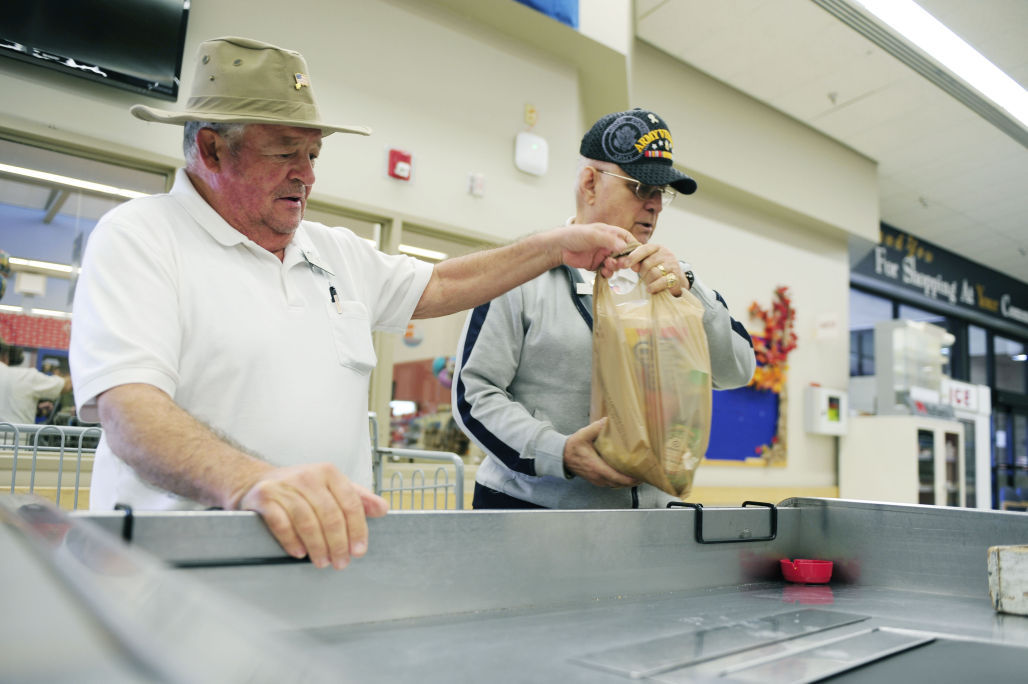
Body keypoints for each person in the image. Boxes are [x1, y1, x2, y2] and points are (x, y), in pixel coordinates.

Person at [69, 37, 636, 570]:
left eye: (314, 154)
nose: (307, 175)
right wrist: (250, 483)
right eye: (286, 152)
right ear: (212, 149)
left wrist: (555, 248)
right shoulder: (141, 237)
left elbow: (437, 285)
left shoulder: (332, 250)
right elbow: (129, 412)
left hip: (323, 566)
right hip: (177, 568)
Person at [452, 108, 757, 509]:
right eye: (640, 187)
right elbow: (474, 393)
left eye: (661, 193)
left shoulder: (670, 281)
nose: (655, 206)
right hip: (533, 513)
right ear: (590, 182)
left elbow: (739, 370)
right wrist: (556, 452)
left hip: (645, 522)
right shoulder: (523, 273)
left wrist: (690, 290)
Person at [0, 341, 72, 425]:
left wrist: (36, 410)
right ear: (5, 356)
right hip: (15, 437)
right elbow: (66, 386)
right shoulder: (26, 377)